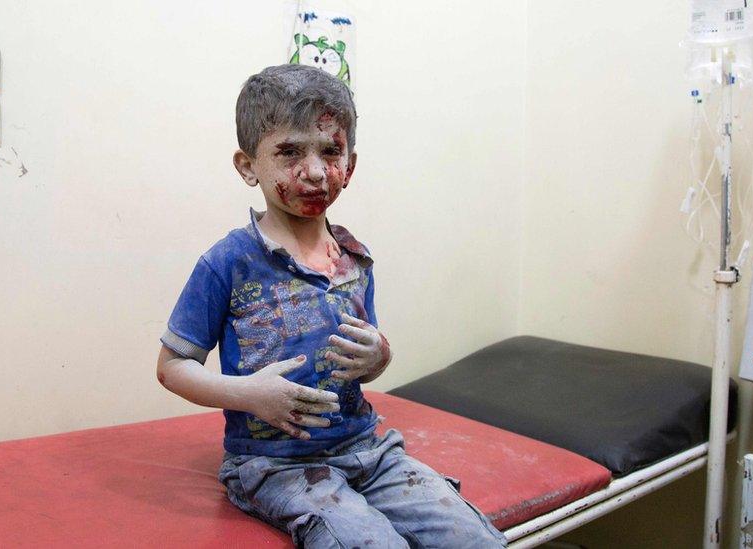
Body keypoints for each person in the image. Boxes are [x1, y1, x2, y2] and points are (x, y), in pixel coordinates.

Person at [156, 63, 507, 548]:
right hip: (273, 463)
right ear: (247, 166)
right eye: (289, 152)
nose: (316, 171)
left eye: (330, 151)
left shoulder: (355, 260)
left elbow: (367, 358)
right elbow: (173, 366)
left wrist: (380, 356)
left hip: (370, 449)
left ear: (351, 164)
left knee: (474, 539)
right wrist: (248, 394)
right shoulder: (228, 263)